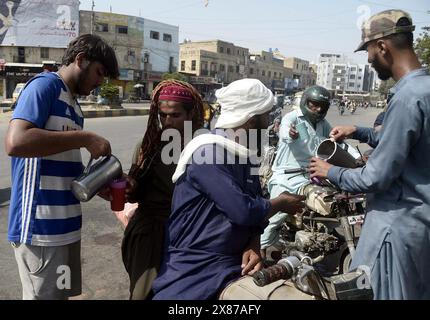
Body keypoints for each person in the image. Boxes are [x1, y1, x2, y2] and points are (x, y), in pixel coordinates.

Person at [309, 10, 430, 299]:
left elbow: (377, 177)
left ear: (383, 47)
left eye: (368, 51)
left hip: (395, 227)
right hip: (420, 227)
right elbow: (410, 143)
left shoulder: (407, 96)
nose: (369, 60)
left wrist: (331, 172)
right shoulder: (424, 88)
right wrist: (360, 131)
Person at [151, 78, 305, 300]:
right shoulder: (208, 155)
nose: (271, 120)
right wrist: (281, 202)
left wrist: (253, 242)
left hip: (232, 263)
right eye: (267, 115)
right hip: (197, 269)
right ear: (252, 121)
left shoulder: (243, 152)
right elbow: (243, 210)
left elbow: (255, 199)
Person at [4, 34, 119, 300]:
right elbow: (16, 141)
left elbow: (64, 164)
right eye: (99, 73)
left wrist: (99, 181)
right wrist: (85, 138)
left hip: (67, 229)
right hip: (40, 231)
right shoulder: (44, 87)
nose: (100, 82)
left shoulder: (74, 107)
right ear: (81, 60)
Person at [120, 80, 205, 300]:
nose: (167, 121)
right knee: (142, 294)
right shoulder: (147, 145)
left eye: (175, 115)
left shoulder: (203, 148)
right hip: (149, 235)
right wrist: (129, 188)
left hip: (188, 236)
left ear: (190, 115)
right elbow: (135, 192)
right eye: (162, 115)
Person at [260, 85, 360, 260]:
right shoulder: (292, 118)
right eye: (314, 104)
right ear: (306, 102)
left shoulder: (322, 124)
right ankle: (259, 250)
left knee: (333, 202)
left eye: (322, 106)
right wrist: (289, 134)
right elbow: (284, 132)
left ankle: (319, 237)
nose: (318, 109)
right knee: (275, 217)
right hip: (287, 177)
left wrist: (358, 159)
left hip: (314, 175)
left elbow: (338, 142)